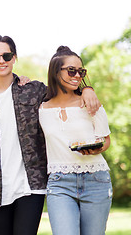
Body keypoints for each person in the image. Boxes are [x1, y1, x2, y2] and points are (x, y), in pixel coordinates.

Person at [0, 36, 101, 235]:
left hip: (32, 185)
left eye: (7, 55)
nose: (1, 61)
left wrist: (86, 89)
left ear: (14, 58)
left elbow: (64, 93)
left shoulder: (34, 90)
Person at [39, 46, 112, 235]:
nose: (77, 75)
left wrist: (96, 149)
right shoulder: (41, 108)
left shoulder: (91, 103)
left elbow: (105, 140)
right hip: (59, 182)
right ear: (56, 72)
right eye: (71, 70)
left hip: (96, 179)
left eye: (81, 71)